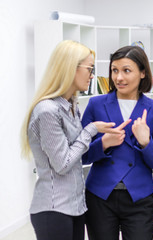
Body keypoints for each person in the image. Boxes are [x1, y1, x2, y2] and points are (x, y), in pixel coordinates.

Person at [20, 40, 123, 240]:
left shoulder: (72, 106)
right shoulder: (47, 111)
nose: (92, 75)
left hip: (75, 207)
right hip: (53, 209)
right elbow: (63, 164)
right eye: (89, 69)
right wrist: (91, 130)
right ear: (70, 68)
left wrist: (104, 143)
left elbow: (78, 153)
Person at [81, 45, 153, 240]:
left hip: (139, 197)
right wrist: (103, 143)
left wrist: (146, 143)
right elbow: (82, 155)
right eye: (114, 70)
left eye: (126, 71)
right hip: (99, 196)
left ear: (143, 73)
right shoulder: (96, 104)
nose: (119, 77)